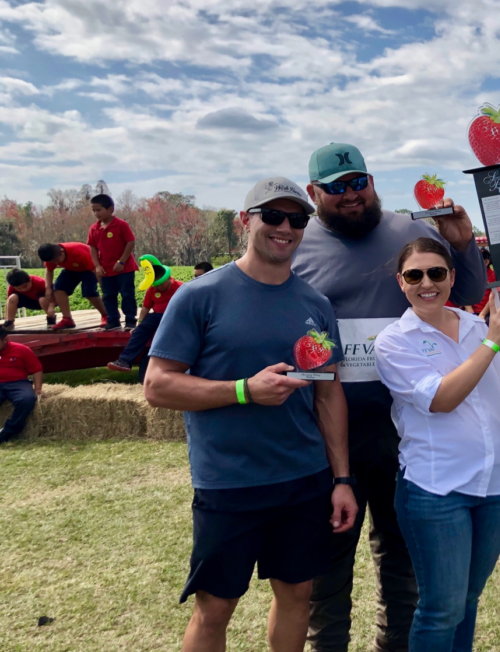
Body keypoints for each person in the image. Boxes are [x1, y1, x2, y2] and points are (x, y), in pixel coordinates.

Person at [143, 177, 359, 652]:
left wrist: (341, 479)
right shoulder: (200, 295)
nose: (286, 228)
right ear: (246, 220)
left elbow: (328, 395)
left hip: (304, 479)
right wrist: (244, 390)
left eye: (297, 219)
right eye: (273, 216)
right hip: (229, 482)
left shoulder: (315, 305)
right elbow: (157, 384)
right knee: (215, 607)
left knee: (297, 596)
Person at [291, 143, 487, 652]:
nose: (350, 195)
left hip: (406, 432)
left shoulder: (411, 231)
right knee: (328, 565)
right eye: (335, 188)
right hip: (327, 431)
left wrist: (464, 246)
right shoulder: (295, 245)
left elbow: (463, 292)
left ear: (372, 181)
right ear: (314, 194)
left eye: (358, 182)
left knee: (402, 561)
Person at [375, 237, 500, 652]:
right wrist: (492, 342)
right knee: (441, 609)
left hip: (496, 484)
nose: (427, 283)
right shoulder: (393, 341)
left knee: (467, 600)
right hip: (437, 490)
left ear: (452, 277)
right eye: (415, 275)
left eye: (437, 273)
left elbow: (499, 391)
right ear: (400, 282)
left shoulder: (477, 325)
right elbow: (441, 399)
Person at [107, 255, 183, 379]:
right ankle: (124, 361)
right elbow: (146, 308)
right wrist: (139, 324)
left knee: (159, 342)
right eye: (156, 285)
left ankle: (148, 374)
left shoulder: (181, 287)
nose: (158, 287)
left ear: (169, 278)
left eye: (161, 284)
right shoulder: (152, 290)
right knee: (139, 331)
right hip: (157, 315)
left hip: (175, 316)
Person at [86, 194, 139, 331]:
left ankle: (130, 320)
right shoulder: (94, 228)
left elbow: (130, 242)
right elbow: (92, 247)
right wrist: (97, 265)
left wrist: (121, 262)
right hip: (105, 269)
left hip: (124, 268)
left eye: (99, 210)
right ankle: (113, 320)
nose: (96, 213)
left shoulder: (121, 224)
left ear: (110, 209)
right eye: (94, 211)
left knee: (127, 293)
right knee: (108, 295)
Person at [38, 241, 109, 330]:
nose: (55, 263)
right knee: (58, 288)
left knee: (89, 291)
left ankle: (106, 315)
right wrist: (48, 288)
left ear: (62, 252)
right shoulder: (51, 256)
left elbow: (97, 272)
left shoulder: (78, 253)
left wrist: (105, 291)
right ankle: (67, 319)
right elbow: (49, 270)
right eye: (52, 261)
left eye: (56, 261)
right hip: (71, 269)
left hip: (90, 269)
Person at [0, 325, 43, 444]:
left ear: (5, 339)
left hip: (17, 383)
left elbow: (37, 369)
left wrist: (38, 389)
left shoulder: (22, 350)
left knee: (27, 399)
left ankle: (8, 431)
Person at [471, 249, 496, 318]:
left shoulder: (493, 276)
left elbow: (493, 296)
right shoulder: (471, 275)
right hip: (471, 312)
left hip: (487, 312)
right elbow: (465, 293)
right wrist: (471, 313)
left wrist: (482, 314)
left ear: (486, 262)